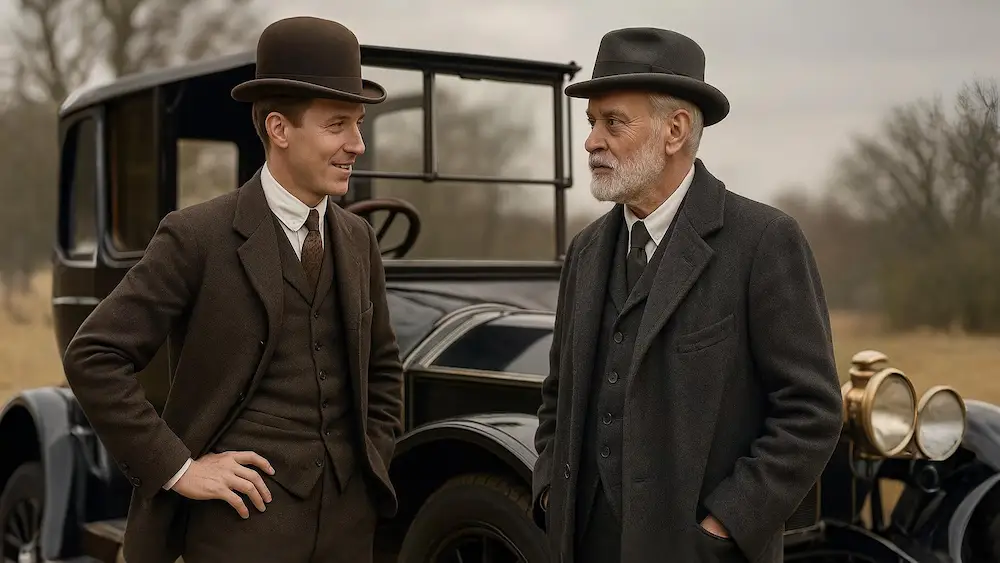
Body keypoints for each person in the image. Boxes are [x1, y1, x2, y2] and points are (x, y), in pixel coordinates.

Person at [62, 16, 404, 563]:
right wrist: (180, 468)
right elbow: (94, 355)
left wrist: (370, 460)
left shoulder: (359, 239)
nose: (357, 145)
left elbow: (383, 370)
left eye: (359, 124)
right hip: (238, 530)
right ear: (279, 128)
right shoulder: (195, 235)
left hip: (348, 528)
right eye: (338, 125)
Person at [531, 27, 844, 563]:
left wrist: (726, 524)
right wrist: (549, 492)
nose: (591, 142)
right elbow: (557, 395)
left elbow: (811, 410)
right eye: (591, 123)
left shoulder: (764, 241)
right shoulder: (585, 251)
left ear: (674, 130)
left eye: (613, 123)